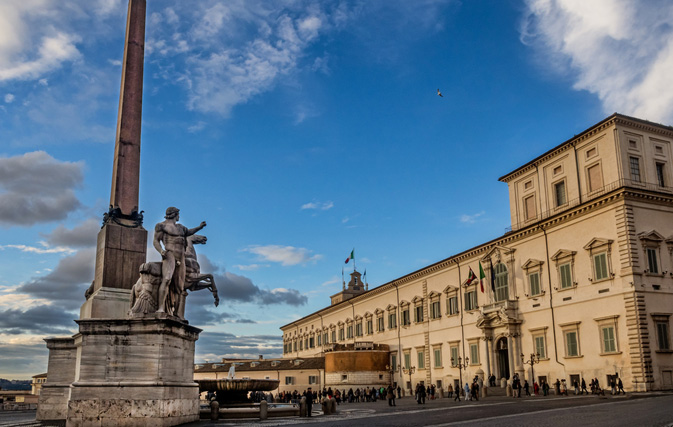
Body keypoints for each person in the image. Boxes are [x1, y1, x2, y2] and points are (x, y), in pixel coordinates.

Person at [153, 207, 206, 319]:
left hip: (181, 257)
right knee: (167, 279)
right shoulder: (161, 226)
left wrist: (199, 227)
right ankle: (161, 308)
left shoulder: (181, 228)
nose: (179, 216)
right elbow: (155, 241)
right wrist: (161, 251)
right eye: (178, 214)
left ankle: (176, 313)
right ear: (174, 214)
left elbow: (189, 232)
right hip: (169, 255)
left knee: (179, 286)